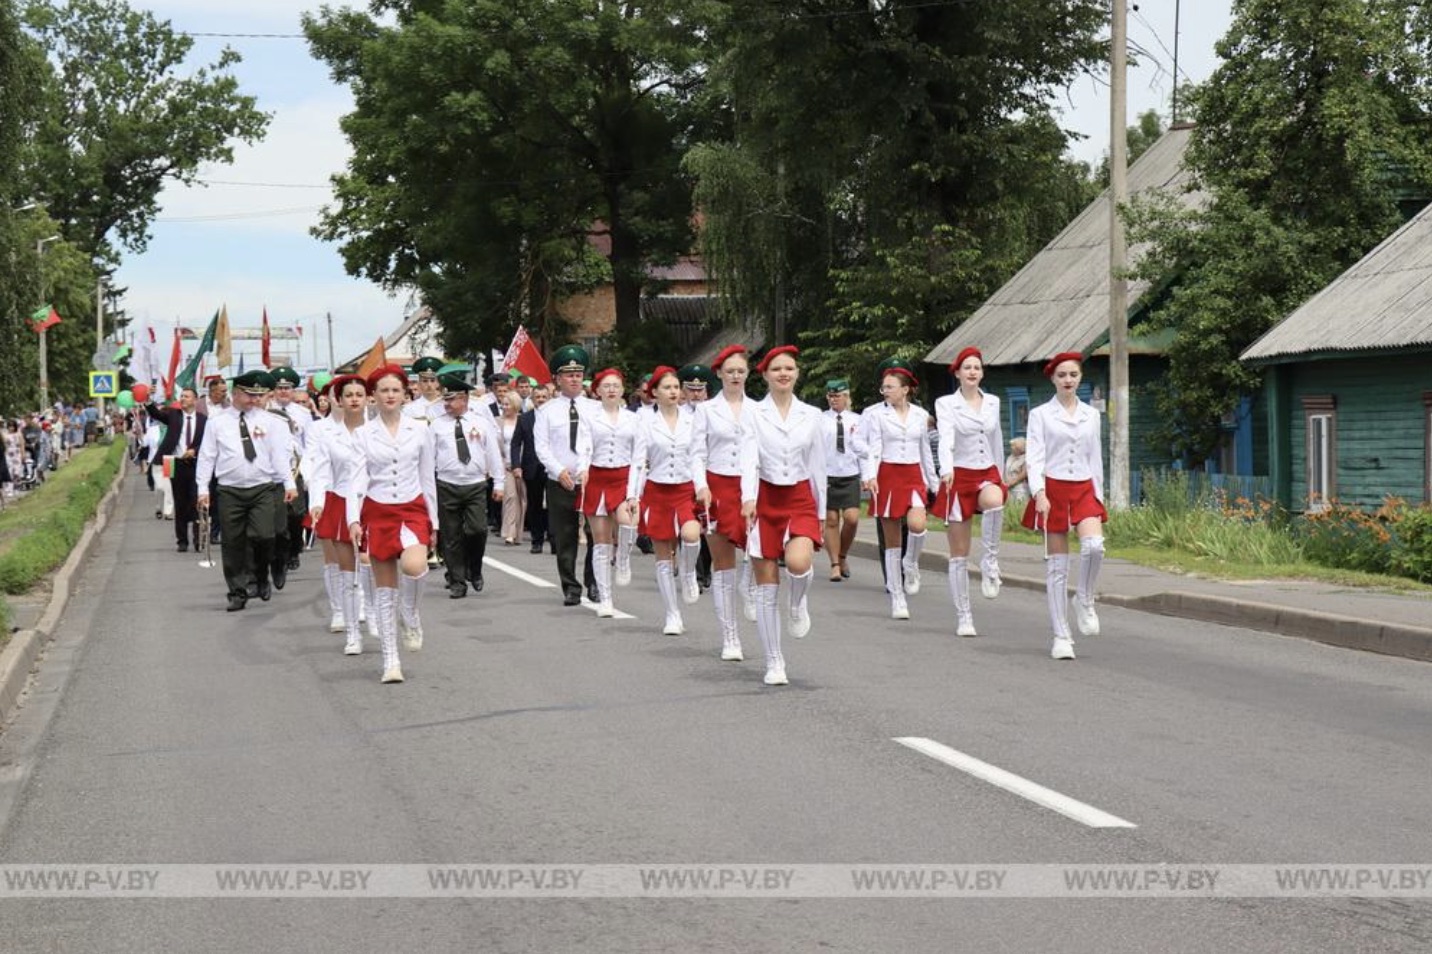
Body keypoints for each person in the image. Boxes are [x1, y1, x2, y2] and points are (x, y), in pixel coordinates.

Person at [348, 364, 439, 683]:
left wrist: (434, 520)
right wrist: (353, 518)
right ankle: (390, 660)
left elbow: (428, 477)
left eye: (395, 390)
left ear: (405, 394)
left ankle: (411, 614)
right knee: (384, 590)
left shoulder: (420, 428)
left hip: (412, 507)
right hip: (377, 509)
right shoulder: (362, 434)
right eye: (383, 390)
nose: (389, 395)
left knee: (415, 567)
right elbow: (356, 478)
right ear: (373, 396)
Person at [740, 345, 825, 686]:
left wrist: (820, 510)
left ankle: (797, 603)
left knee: (800, 563)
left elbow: (818, 465)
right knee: (766, 587)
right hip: (765, 498)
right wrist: (747, 498)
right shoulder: (753, 414)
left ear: (797, 373)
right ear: (765, 375)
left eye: (789, 368)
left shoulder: (812, 414)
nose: (784, 374)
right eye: (776, 369)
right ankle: (774, 661)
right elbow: (748, 459)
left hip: (800, 497)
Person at [1022, 352, 1107, 660]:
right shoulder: (1040, 415)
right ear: (1053, 379)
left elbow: (1094, 455)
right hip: (1054, 488)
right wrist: (1039, 492)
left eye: (1073, 374)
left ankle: (1084, 597)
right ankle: (1061, 635)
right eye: (1062, 375)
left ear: (1080, 378)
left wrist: (1099, 493)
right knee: (1058, 567)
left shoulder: (1092, 415)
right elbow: (1035, 457)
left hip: (1084, 487)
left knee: (1095, 547)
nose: (1068, 380)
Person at [196, 371, 297, 612]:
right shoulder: (217, 422)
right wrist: (202, 488)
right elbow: (207, 455)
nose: (253, 400)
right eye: (249, 395)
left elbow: (278, 455)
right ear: (235, 393)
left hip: (261, 487)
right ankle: (237, 591)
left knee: (264, 535)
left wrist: (289, 483)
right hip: (229, 490)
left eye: (257, 395)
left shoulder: (271, 421)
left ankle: (261, 575)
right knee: (233, 542)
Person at [934, 347, 1008, 638]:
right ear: (958, 373)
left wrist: (1000, 476)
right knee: (959, 553)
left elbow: (996, 438)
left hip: (986, 470)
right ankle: (964, 615)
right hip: (959, 474)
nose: (973, 372)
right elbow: (945, 437)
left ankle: (990, 560)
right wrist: (946, 468)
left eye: (977, 367)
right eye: (967, 367)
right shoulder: (946, 404)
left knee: (995, 501)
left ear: (982, 372)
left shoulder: (993, 401)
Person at [693, 345, 755, 660]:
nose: (735, 376)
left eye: (740, 371)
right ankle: (730, 636)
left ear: (747, 374)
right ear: (719, 373)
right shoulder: (705, 410)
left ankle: (750, 584)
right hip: (716, 486)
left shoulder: (759, 409)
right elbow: (697, 452)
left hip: (751, 487)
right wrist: (701, 485)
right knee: (723, 562)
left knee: (758, 549)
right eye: (729, 371)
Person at [861, 360, 937, 620]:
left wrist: (934, 483)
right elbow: (874, 448)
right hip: (888, 475)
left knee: (917, 525)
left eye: (890, 387)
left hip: (914, 474)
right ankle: (897, 597)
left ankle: (912, 562)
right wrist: (870, 475)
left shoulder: (920, 414)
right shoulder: (877, 416)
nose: (885, 392)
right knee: (892, 542)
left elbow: (925, 450)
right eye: (883, 388)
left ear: (905, 389)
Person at [631, 366, 701, 634]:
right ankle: (672, 614)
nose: (673, 392)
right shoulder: (645, 421)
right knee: (662, 555)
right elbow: (638, 462)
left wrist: (702, 485)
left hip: (685, 488)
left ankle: (689, 571)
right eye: (667, 388)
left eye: (675, 387)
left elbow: (698, 455)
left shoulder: (692, 419)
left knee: (691, 534)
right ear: (655, 393)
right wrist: (632, 495)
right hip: (657, 490)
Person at [304, 374, 370, 654]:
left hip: (369, 499)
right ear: (335, 399)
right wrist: (315, 499)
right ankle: (340, 610)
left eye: (358, 394)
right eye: (344, 395)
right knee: (335, 557)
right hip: (335, 495)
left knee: (367, 558)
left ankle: (365, 603)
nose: (351, 400)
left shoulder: (374, 427)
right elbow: (315, 466)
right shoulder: (321, 430)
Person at [430, 372, 505, 599]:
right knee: (451, 536)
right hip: (447, 484)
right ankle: (457, 581)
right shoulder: (436, 426)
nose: (447, 404)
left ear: (464, 399)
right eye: (445, 400)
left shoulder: (480, 423)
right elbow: (429, 459)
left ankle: (475, 568)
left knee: (477, 530)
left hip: (474, 484)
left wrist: (499, 483)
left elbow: (492, 453)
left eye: (451, 399)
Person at [533, 345, 597, 606]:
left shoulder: (594, 408)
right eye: (568, 374)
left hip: (590, 479)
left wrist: (589, 468)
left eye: (578, 373)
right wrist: (559, 471)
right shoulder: (546, 411)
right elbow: (542, 447)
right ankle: (571, 586)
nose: (574, 379)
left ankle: (593, 582)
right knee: (565, 534)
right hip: (559, 480)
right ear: (558, 379)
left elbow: (599, 441)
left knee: (596, 533)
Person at [581, 368, 643, 618]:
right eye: (606, 386)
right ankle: (605, 598)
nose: (611, 390)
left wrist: (634, 489)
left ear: (623, 389)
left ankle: (624, 558)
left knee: (629, 522)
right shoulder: (590, 417)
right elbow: (584, 447)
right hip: (597, 477)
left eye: (615, 385)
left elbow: (638, 454)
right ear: (597, 391)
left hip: (624, 476)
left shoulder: (633, 419)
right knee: (601, 540)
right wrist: (582, 469)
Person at [266, 366, 310, 582]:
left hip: (296, 470)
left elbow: (309, 444)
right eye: (279, 387)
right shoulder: (265, 411)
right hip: (272, 472)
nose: (283, 391)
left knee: (296, 514)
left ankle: (294, 549)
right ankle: (278, 555)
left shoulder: (303, 414)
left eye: (287, 388)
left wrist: (309, 472)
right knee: (277, 519)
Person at [150, 387, 207, 552]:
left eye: (187, 396)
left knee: (196, 501)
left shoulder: (204, 420)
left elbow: (207, 441)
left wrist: (195, 450)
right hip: (174, 463)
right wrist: (148, 400)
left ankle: (198, 539)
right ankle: (182, 540)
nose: (182, 399)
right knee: (179, 501)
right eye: (181, 396)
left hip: (196, 464)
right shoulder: (173, 415)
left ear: (195, 400)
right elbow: (156, 414)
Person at [822, 379, 867, 583]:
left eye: (837, 396)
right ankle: (834, 564)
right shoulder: (820, 420)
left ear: (846, 397)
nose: (834, 400)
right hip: (828, 474)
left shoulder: (857, 420)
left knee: (851, 518)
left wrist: (867, 476)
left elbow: (863, 451)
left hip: (850, 474)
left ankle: (842, 555)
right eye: (831, 396)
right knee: (831, 520)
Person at [510, 384, 550, 554]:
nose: (541, 400)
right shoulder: (524, 419)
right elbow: (515, 443)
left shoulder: (556, 418)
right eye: (538, 397)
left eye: (544, 397)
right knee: (534, 505)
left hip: (553, 468)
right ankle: (537, 540)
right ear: (532, 399)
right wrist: (516, 466)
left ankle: (554, 539)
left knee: (554, 505)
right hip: (531, 466)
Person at [499, 392, 527, 545]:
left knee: (522, 500)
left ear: (515, 405)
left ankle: (518, 533)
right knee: (510, 497)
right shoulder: (498, 422)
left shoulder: (523, 421)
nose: (504, 407)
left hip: (522, 464)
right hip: (505, 465)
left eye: (507, 404)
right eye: (503, 404)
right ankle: (509, 532)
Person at [403, 356, 446, 422]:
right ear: (419, 383)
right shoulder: (409, 408)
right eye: (425, 381)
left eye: (432, 380)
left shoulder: (446, 406)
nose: (429, 385)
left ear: (438, 383)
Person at [1005, 437, 1029, 503]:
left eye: (1013, 446)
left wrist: (1012, 483)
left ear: (1019, 449)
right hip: (1008, 488)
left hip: (1020, 489)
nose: (1011, 448)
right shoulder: (1010, 457)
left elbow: (1024, 474)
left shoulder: (1026, 458)